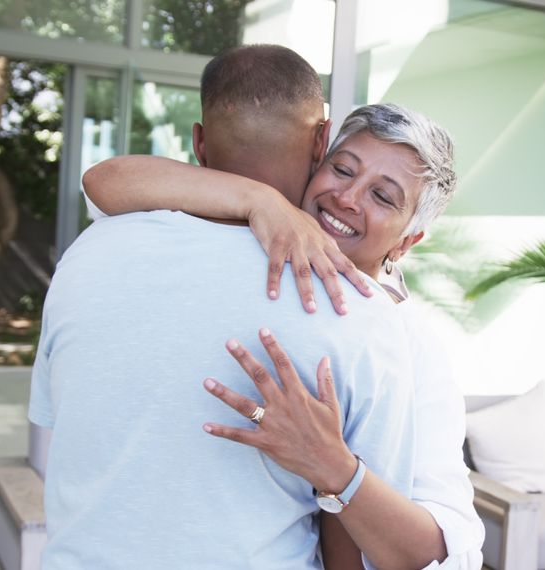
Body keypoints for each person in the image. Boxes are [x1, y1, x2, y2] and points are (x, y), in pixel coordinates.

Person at [29, 45, 420, 569]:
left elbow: (57, 423)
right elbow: (363, 530)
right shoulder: (356, 312)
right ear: (322, 141)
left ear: (198, 142)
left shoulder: (86, 255)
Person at [84, 97, 485, 567]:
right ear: (317, 161)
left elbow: (442, 553)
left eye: (382, 196)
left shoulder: (407, 343)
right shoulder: (246, 256)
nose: (347, 198)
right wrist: (261, 199)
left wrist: (334, 467)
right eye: (342, 169)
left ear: (406, 241)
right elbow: (103, 184)